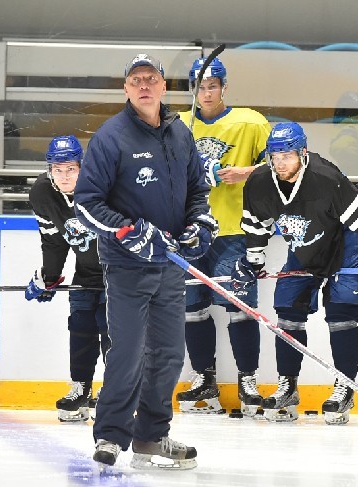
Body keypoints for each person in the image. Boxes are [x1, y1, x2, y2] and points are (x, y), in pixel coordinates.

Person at [74, 53, 216, 469]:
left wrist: (199, 226)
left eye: (150, 78)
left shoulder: (179, 134)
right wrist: (130, 232)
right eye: (135, 80)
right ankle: (111, 436)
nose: (144, 86)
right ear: (126, 89)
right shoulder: (110, 137)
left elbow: (197, 192)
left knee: (169, 353)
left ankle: (152, 436)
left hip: (171, 266)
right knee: (128, 352)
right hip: (127, 267)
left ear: (163, 86)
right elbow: (86, 204)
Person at [230, 122, 358, 425]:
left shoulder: (327, 179)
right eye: (275, 155)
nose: (280, 162)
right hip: (307, 244)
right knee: (287, 308)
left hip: (348, 240)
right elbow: (257, 225)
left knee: (341, 312)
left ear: (303, 153)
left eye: (287, 155)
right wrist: (253, 261)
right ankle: (288, 386)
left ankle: (344, 387)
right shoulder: (259, 182)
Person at [175, 56, 272, 417]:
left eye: (213, 85)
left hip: (236, 232)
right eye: (200, 87)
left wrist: (246, 172)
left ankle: (248, 380)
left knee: (240, 308)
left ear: (225, 87)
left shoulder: (251, 123)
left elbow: (286, 163)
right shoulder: (178, 125)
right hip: (191, 231)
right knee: (192, 309)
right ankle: (204, 378)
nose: (207, 92)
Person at [26, 135, 110, 422]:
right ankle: (81, 388)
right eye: (57, 169)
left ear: (82, 167)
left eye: (70, 169)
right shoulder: (42, 193)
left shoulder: (103, 186)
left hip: (119, 272)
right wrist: (47, 278)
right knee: (81, 326)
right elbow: (53, 241)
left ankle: (114, 391)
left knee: (111, 328)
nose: (64, 176)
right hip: (85, 272)